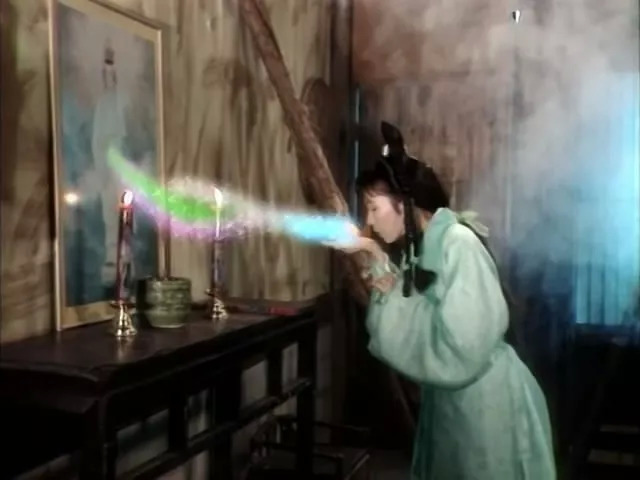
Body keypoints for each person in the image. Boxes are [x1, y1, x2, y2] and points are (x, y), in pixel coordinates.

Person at [326, 121, 556, 479]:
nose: (369, 220)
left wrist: (387, 283)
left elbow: (460, 345)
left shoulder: (458, 244)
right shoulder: (426, 246)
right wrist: (373, 252)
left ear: (404, 204)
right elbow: (418, 307)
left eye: (373, 208)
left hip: (485, 403)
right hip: (459, 399)